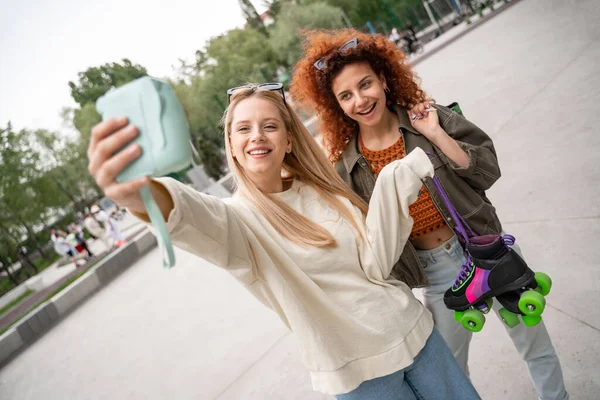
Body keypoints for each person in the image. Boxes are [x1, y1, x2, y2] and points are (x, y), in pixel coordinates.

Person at [86, 84, 480, 399]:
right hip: (361, 378)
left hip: (416, 333)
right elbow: (191, 213)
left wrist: (398, 181)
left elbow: (376, 257)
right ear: (232, 145)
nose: (257, 136)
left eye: (270, 125)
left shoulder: (326, 191)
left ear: (289, 140)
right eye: (244, 128)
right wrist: (137, 194)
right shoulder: (238, 221)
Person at [290, 29, 568, 400]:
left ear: (384, 80)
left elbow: (487, 170)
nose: (360, 100)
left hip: (485, 250)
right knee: (449, 370)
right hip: (433, 275)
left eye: (365, 84)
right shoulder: (347, 167)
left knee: (534, 344)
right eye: (346, 95)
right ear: (337, 106)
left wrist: (436, 134)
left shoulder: (428, 118)